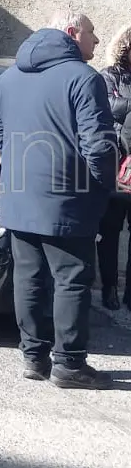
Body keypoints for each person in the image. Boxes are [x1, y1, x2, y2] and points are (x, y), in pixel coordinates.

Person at [0, 10, 117, 390]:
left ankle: (33, 357)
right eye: (92, 33)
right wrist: (105, 186)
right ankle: (70, 364)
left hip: (18, 197)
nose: (95, 41)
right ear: (72, 32)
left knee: (28, 279)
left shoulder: (9, 77)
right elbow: (98, 143)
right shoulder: (83, 78)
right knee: (72, 280)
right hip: (69, 199)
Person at [97, 22, 131, 312]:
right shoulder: (109, 77)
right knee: (109, 232)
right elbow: (106, 109)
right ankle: (109, 287)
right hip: (118, 166)